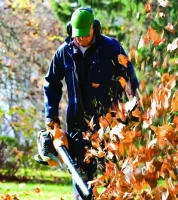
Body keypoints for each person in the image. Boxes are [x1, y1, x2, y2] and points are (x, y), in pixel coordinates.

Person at [43, 7, 139, 199]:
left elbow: (128, 79)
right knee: (81, 183)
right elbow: (51, 83)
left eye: (85, 35)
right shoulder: (65, 52)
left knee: (109, 180)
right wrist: (51, 118)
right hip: (78, 127)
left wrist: (134, 107)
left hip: (109, 127)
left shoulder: (111, 48)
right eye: (77, 36)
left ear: (94, 29)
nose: (81, 39)